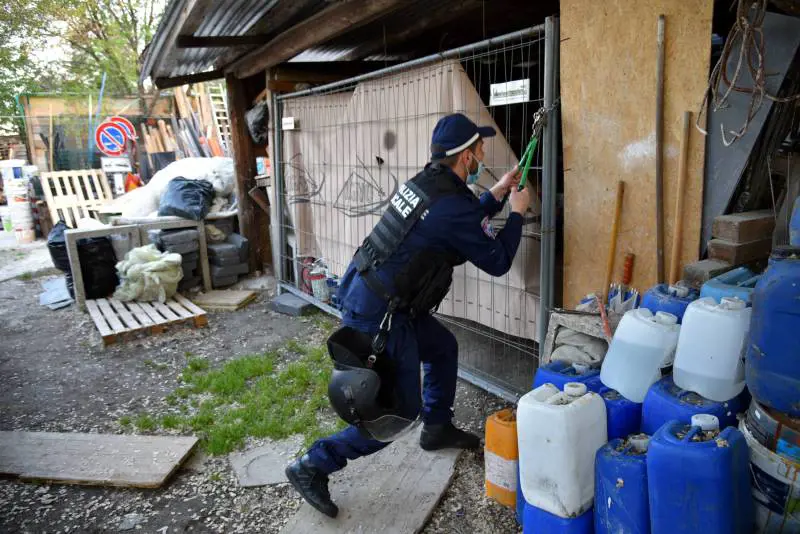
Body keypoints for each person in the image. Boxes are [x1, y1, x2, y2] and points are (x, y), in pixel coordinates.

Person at [285, 113, 531, 518]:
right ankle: (314, 464)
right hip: (382, 312)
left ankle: (437, 427)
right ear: (467, 157)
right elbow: (498, 259)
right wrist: (517, 213)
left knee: (442, 347)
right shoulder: (450, 203)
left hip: (377, 293)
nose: (485, 153)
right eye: (481, 148)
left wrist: (499, 193)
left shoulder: (428, 185)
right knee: (395, 412)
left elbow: (455, 224)